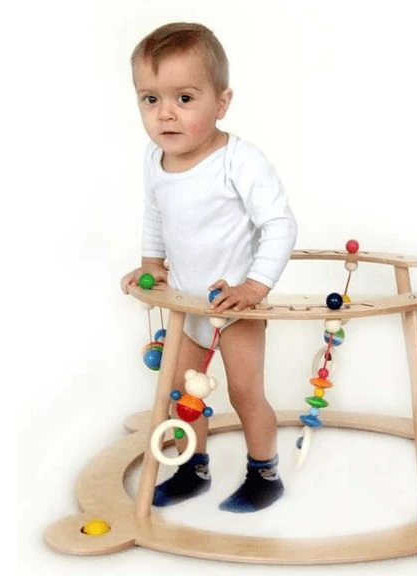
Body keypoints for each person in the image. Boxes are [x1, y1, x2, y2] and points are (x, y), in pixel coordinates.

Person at [120, 22, 297, 513]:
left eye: (184, 98)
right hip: (186, 305)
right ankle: (191, 468)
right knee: (182, 393)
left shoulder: (239, 160)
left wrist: (254, 287)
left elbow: (280, 224)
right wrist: (151, 263)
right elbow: (156, 211)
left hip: (234, 308)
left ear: (221, 103)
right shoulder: (156, 158)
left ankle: (264, 473)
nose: (165, 113)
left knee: (245, 393)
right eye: (150, 99)